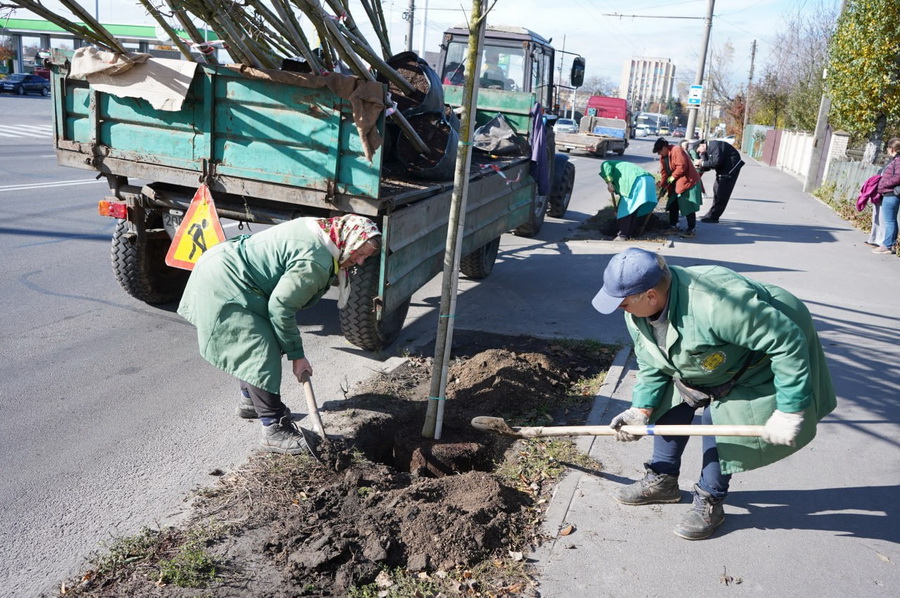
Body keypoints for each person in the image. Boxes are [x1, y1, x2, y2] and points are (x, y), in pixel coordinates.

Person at [592, 248, 836, 540]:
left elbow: (786, 342)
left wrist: (789, 409)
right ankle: (663, 480)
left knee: (717, 419)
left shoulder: (718, 304)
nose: (620, 309)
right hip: (707, 356)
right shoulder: (638, 310)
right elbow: (651, 363)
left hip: (764, 351)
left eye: (623, 304)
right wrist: (640, 410)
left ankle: (710, 499)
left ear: (650, 296)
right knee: (672, 399)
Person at [178, 214, 382, 455]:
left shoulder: (324, 232)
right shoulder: (315, 262)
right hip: (227, 281)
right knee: (259, 350)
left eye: (365, 257)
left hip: (227, 267)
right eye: (359, 253)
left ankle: (251, 401)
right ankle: (274, 428)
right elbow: (280, 308)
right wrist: (297, 356)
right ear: (348, 240)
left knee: (259, 342)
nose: (359, 262)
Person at [652, 137, 702, 238]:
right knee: (673, 204)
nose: (659, 154)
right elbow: (664, 173)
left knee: (688, 205)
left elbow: (682, 166)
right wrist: (663, 184)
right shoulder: (663, 157)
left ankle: (691, 229)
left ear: (665, 147)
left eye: (660, 151)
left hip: (688, 182)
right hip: (676, 184)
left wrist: (673, 177)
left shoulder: (677, 150)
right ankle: (673, 226)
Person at [600, 160, 658, 241]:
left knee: (626, 209)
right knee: (633, 209)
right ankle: (628, 234)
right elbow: (622, 196)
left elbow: (605, 164)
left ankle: (622, 235)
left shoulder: (611, 165)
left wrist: (609, 183)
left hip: (636, 181)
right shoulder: (622, 168)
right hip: (648, 180)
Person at [693, 138, 745, 223]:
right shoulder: (710, 148)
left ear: (702, 145)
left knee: (722, 192)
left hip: (730, 169)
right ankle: (711, 214)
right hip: (724, 169)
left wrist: (701, 163)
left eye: (699, 151)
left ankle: (714, 216)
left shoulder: (714, 146)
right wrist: (701, 166)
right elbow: (711, 165)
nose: (700, 153)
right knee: (716, 190)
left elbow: (716, 162)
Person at [872, 138, 900, 255]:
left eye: (888, 148)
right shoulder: (896, 159)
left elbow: (898, 177)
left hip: (891, 193)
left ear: (892, 148)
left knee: (890, 221)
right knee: (891, 220)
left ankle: (887, 245)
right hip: (890, 193)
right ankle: (891, 244)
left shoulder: (898, 160)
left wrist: (883, 184)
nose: (887, 150)